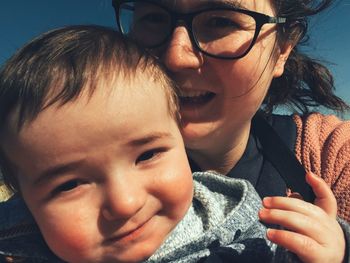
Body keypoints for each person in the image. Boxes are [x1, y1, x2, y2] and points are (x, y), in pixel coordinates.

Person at [0, 25, 349, 263]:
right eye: (70, 184)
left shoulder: (233, 211)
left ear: (283, 49)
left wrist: (336, 248)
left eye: (220, 21)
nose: (125, 203)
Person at [112, 0, 350, 222]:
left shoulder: (331, 155)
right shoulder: (83, 167)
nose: (176, 58)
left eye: (220, 22)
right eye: (153, 18)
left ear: (282, 51)